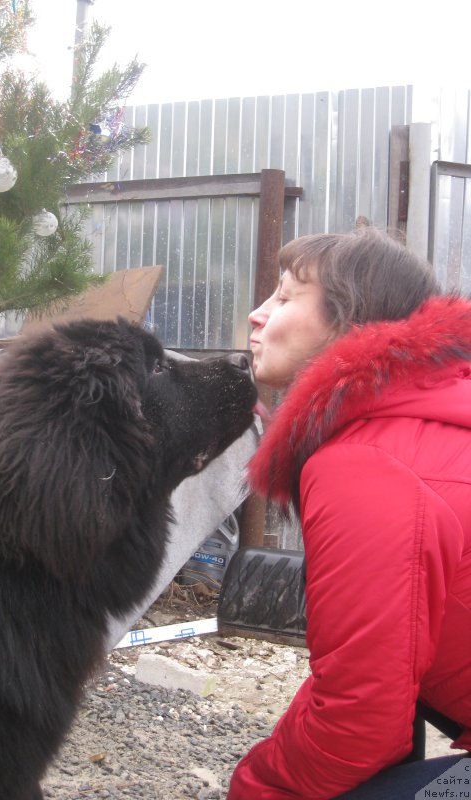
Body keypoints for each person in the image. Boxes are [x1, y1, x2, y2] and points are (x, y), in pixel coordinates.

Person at [228, 227, 471, 799]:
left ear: (347, 323)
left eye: (285, 297)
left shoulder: (363, 464)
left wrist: (256, 787)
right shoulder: (425, 417)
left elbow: (358, 722)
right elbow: (369, 672)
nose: (257, 314)